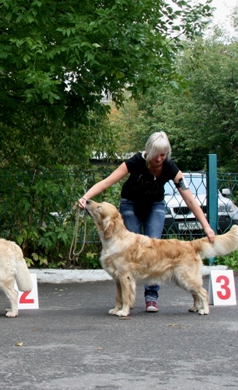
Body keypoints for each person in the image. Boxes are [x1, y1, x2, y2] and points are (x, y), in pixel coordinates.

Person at [77, 131, 215, 313]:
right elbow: (106, 182)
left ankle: (151, 297)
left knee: (154, 251)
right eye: (157, 154)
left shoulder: (170, 168)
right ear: (148, 151)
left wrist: (206, 226)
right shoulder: (135, 162)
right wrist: (86, 197)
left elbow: (189, 199)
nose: (160, 158)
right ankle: (127, 301)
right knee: (126, 258)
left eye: (164, 154)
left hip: (155, 205)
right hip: (130, 204)